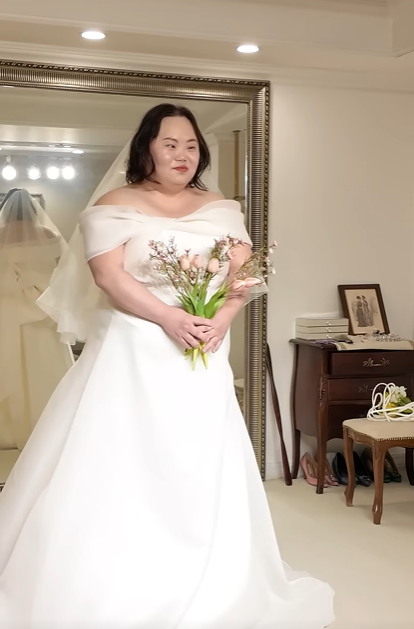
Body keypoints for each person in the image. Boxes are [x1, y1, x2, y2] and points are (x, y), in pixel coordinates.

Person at [0, 104, 334, 628]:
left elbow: (245, 274)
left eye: (192, 146)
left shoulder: (221, 208)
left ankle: (208, 565)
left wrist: (221, 318)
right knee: (123, 453)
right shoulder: (115, 204)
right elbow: (110, 277)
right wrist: (169, 318)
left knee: (199, 453)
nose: (183, 155)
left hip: (203, 350)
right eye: (170, 144)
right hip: (133, 345)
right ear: (147, 149)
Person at [0, 188, 73, 451]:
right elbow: (65, 272)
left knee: (8, 360)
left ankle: (8, 428)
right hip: (42, 310)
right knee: (44, 363)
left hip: (6, 310)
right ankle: (47, 424)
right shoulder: (49, 235)